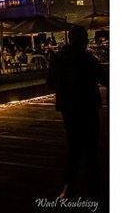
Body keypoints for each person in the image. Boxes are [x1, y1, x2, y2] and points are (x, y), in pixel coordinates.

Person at [47, 25, 107, 200]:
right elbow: (103, 78)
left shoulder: (58, 57)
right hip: (87, 106)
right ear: (82, 40)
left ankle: (70, 187)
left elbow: (51, 83)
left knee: (73, 147)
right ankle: (94, 189)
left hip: (69, 108)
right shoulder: (87, 58)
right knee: (91, 148)